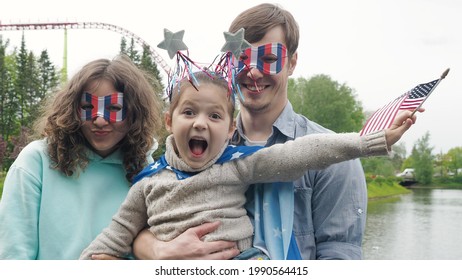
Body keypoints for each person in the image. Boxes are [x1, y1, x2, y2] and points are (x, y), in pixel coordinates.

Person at [80, 70, 416, 260]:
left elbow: (304, 152)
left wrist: (373, 141)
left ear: (230, 130)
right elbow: (110, 242)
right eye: (188, 112)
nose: (200, 124)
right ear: (169, 121)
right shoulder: (148, 183)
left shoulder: (236, 166)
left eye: (214, 116)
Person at [0, 55, 166, 259]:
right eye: (88, 107)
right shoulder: (36, 162)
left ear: (134, 114)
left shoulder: (147, 172)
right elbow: (13, 256)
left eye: (114, 108)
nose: (99, 120)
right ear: (72, 109)